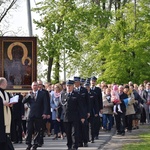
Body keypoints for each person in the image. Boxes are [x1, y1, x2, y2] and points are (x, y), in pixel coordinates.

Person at [57, 80, 85, 150]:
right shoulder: (63, 95)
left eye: (70, 86)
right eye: (67, 86)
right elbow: (59, 106)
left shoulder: (77, 95)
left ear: (73, 86)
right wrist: (58, 115)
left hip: (75, 116)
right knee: (68, 133)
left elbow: (81, 106)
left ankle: (75, 146)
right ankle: (69, 146)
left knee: (74, 133)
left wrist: (82, 116)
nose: (68, 87)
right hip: (66, 117)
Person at [22, 81, 49, 150]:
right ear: (31, 87)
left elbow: (46, 104)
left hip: (39, 114)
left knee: (38, 130)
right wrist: (28, 95)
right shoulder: (29, 94)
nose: (35, 87)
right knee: (29, 129)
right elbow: (23, 101)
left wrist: (45, 113)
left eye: (36, 85)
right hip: (30, 114)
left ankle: (35, 144)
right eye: (34, 85)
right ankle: (28, 144)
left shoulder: (42, 94)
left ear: (38, 86)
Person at [74, 76, 90, 147]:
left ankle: (85, 141)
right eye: (75, 82)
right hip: (76, 112)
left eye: (77, 82)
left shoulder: (84, 90)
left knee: (84, 127)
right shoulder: (73, 90)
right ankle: (79, 142)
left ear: (79, 82)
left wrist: (88, 112)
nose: (75, 83)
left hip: (83, 111)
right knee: (77, 128)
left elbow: (87, 102)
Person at [0, 77, 14, 150]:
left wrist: (10, 104)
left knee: (5, 136)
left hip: (5, 118)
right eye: (6, 82)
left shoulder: (6, 93)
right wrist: (2, 103)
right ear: (2, 83)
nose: (7, 84)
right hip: (0, 118)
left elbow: (8, 103)